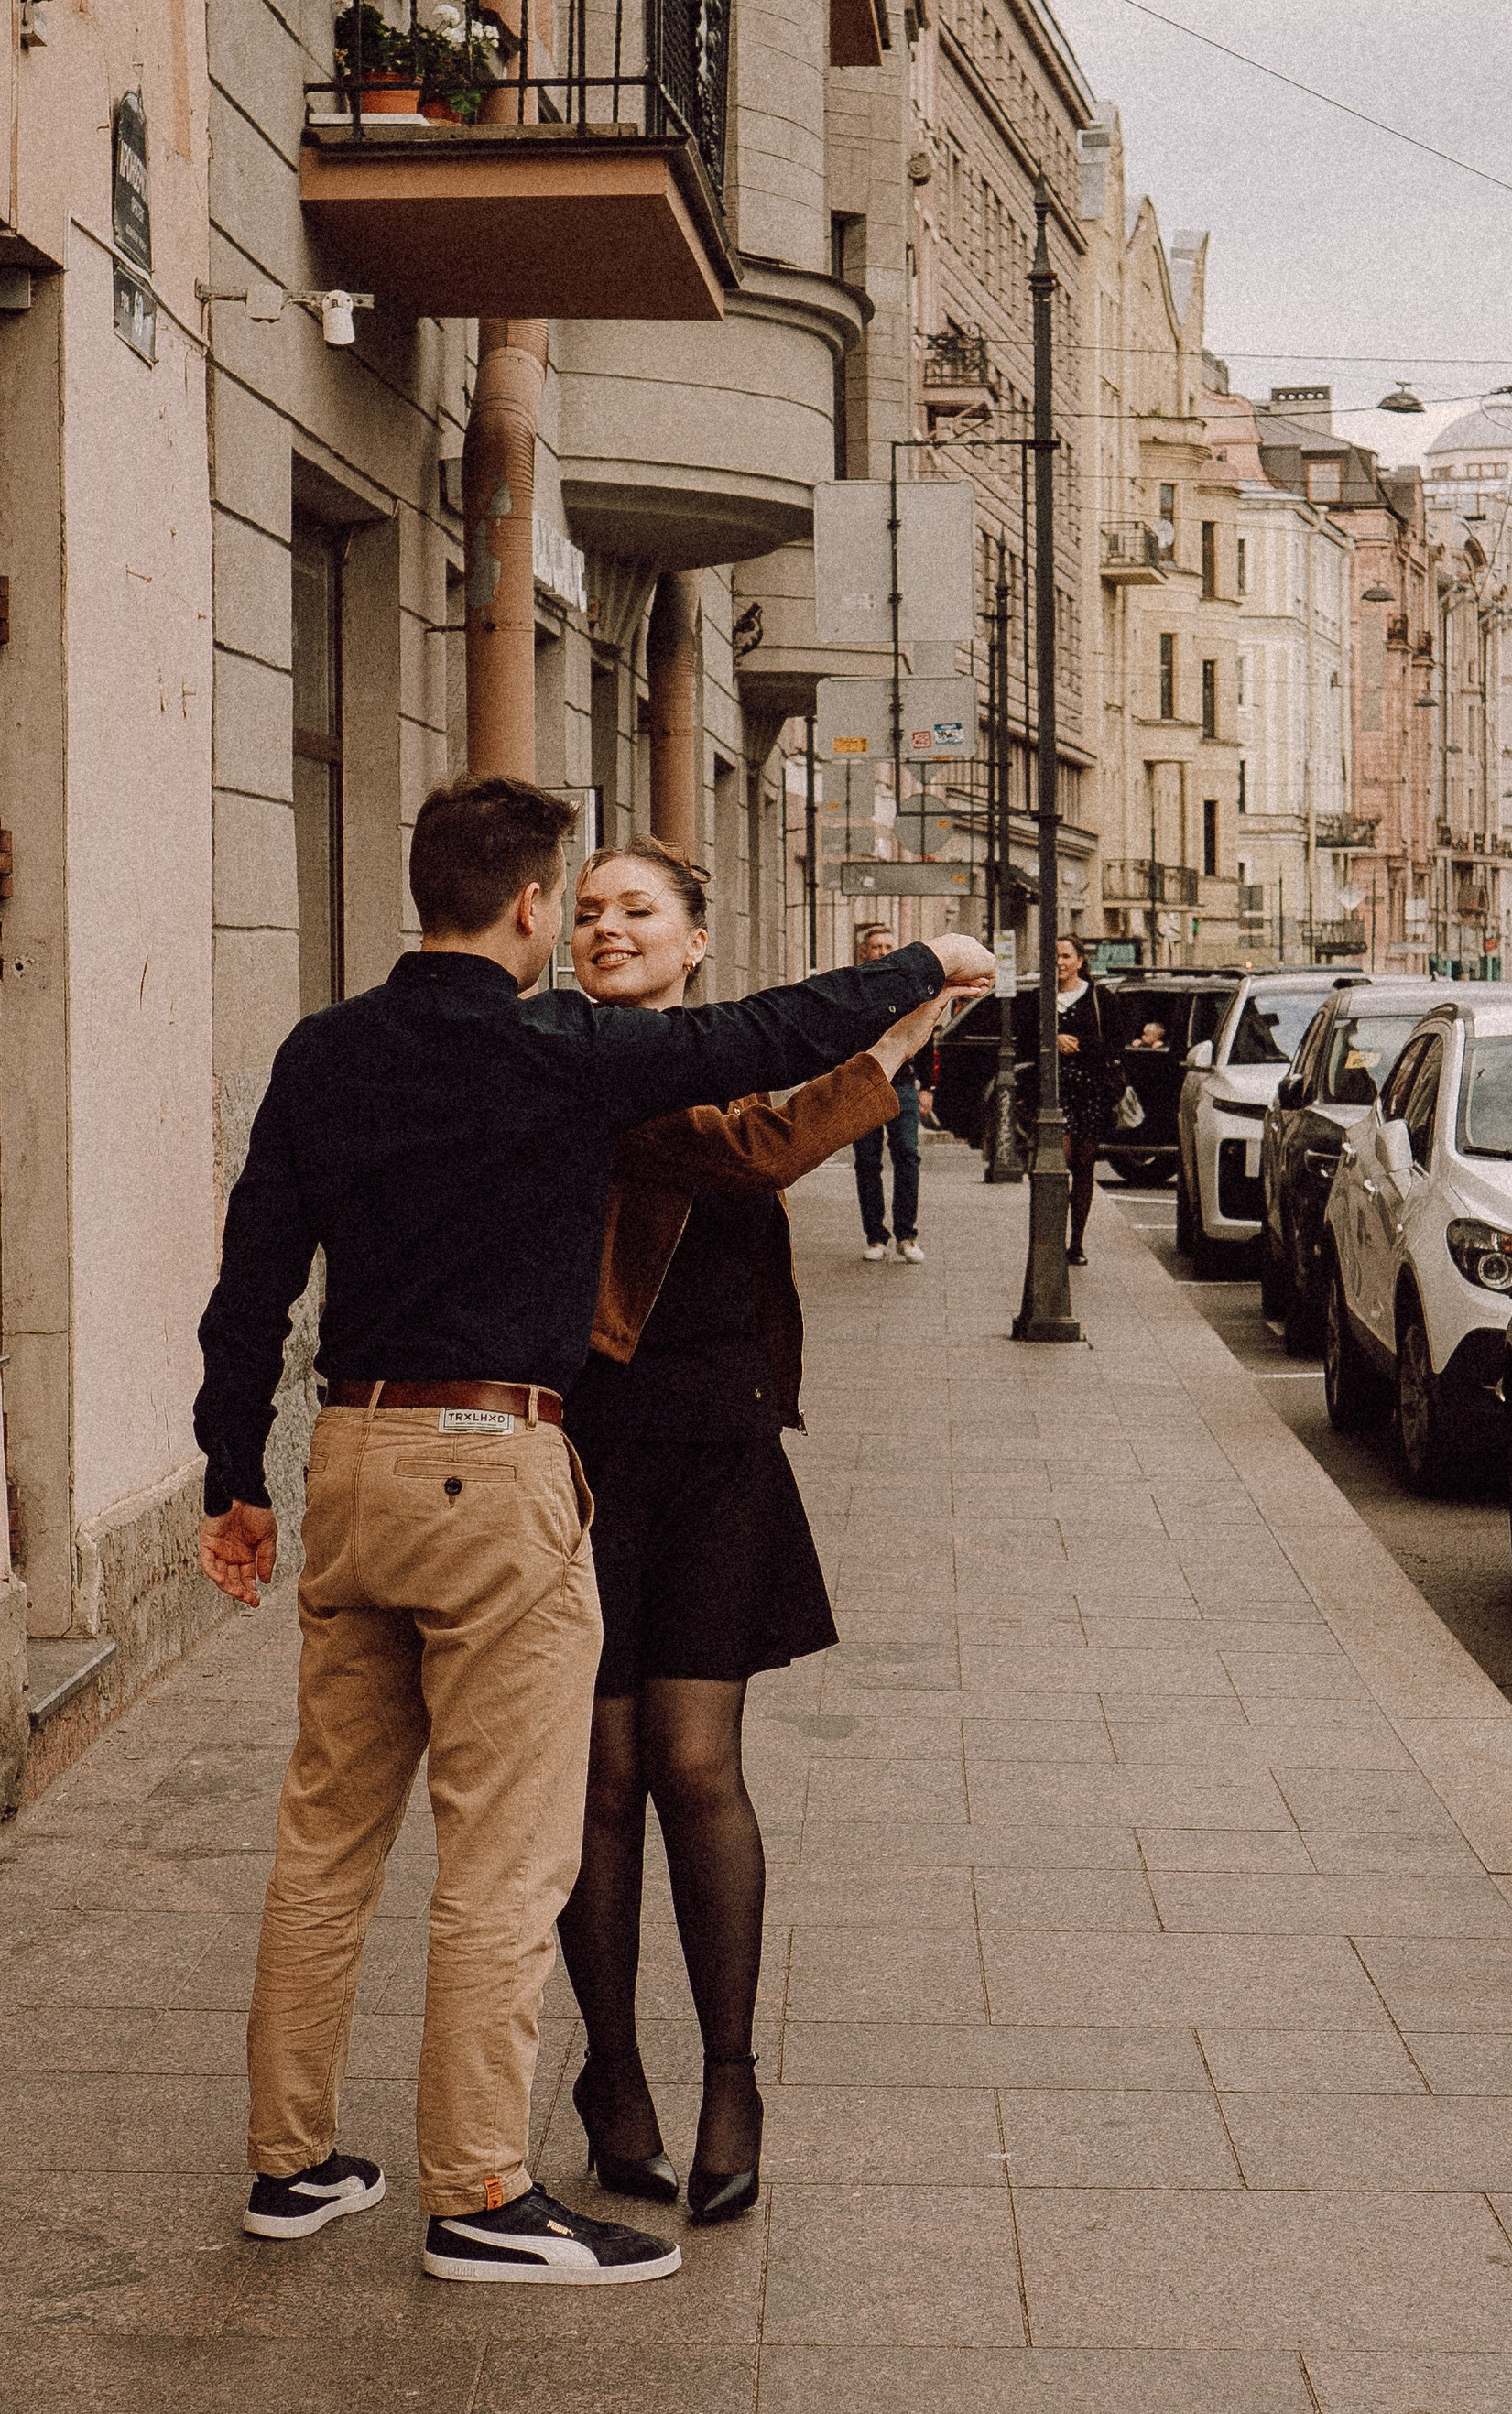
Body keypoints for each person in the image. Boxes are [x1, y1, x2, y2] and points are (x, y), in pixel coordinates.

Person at [193, 772, 989, 2289]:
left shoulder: (323, 1051)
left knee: (324, 1837)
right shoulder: (553, 1046)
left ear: (417, 889)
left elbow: (253, 1283)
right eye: (577, 901)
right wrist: (920, 967)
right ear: (531, 907)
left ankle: (291, 2165)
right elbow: (754, 1045)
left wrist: (235, 1472)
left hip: (349, 1456)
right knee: (507, 1847)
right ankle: (483, 2193)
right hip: (494, 1464)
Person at [552, 842, 949, 2222]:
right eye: (590, 912)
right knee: (594, 1780)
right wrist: (902, 1028)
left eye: (638, 911)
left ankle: (731, 2077)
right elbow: (763, 1153)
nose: (608, 928)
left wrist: (888, 1040)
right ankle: (612, 2074)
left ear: (695, 943)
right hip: (587, 1457)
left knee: (693, 1763)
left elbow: (757, 1133)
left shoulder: (706, 1057)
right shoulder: (580, 1065)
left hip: (720, 1451)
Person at [1018, 930, 1114, 1267]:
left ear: (1080, 962)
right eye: (1054, 957)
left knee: (1084, 1166)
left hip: (1088, 1091)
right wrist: (1052, 1039)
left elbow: (1112, 1044)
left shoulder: (1099, 998)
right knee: (1056, 1162)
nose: (1059, 963)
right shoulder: (1038, 999)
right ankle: (1051, 1238)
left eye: (1065, 957)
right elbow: (1024, 1042)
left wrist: (1083, 1045)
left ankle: (1077, 1242)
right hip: (1051, 1094)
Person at [849, 919, 924, 1263]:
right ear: (865, 952)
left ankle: (906, 1236)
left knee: (907, 1155)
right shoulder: (853, 987)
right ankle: (875, 1236)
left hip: (903, 1083)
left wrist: (929, 1086)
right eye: (877, 947)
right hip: (862, 1084)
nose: (882, 952)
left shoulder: (908, 988)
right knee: (867, 1160)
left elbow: (924, 1034)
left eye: (888, 947)